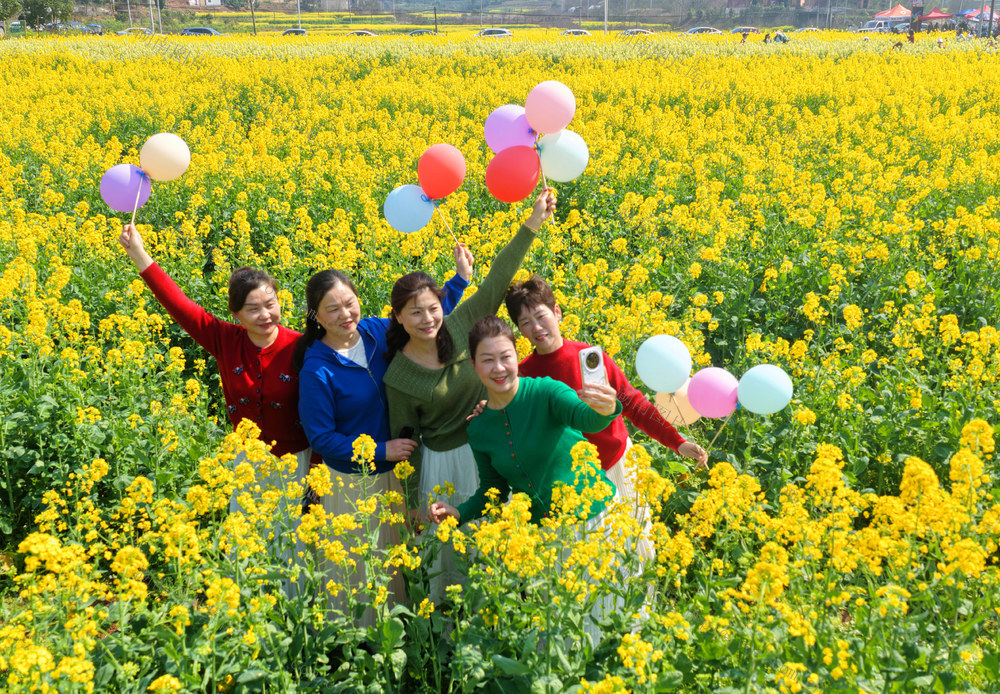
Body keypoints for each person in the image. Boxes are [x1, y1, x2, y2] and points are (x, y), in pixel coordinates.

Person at [383, 188, 556, 597]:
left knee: (503, 547)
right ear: (399, 318)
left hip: (494, 447)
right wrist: (411, 504)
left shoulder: (460, 325)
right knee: (454, 561)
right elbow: (406, 445)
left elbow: (498, 277)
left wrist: (533, 222)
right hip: (443, 467)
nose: (427, 319)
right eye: (415, 312)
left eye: (433, 308)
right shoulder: (398, 377)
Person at [118, 223, 311, 583]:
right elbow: (180, 305)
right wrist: (139, 254)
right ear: (236, 314)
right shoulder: (225, 340)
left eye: (271, 304)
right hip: (247, 462)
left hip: (297, 463)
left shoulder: (303, 347)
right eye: (253, 309)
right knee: (248, 548)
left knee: (293, 549)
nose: (265, 315)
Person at [293, 247, 472, 623]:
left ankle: (403, 633)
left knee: (399, 563)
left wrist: (459, 281)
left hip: (399, 473)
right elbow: (322, 438)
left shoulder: (375, 332)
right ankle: (363, 642)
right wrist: (380, 450)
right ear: (316, 316)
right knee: (362, 568)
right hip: (354, 483)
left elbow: (424, 319)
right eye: (332, 309)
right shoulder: (316, 370)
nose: (345, 315)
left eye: (350, 303)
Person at [429, 316, 623, 644]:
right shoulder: (478, 428)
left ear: (516, 356)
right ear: (473, 365)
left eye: (505, 357)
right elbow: (492, 490)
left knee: (607, 621)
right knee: (562, 632)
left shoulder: (546, 391)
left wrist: (606, 408)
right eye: (487, 360)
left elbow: (585, 418)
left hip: (594, 520)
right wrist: (458, 512)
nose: (498, 368)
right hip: (545, 538)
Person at [505, 274, 707, 557]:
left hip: (616, 465)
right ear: (520, 331)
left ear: (557, 312)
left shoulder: (590, 357)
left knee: (636, 549)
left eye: (541, 316)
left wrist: (677, 441)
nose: (536, 327)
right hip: (571, 481)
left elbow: (633, 403)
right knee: (592, 561)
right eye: (525, 322)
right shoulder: (523, 375)